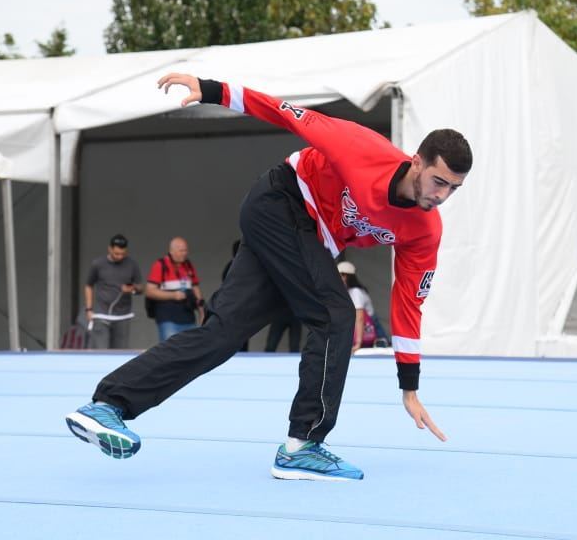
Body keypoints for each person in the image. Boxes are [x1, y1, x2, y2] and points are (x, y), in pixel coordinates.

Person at [66, 73, 472, 481]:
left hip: (305, 238)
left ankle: (107, 405)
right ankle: (304, 446)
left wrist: (409, 385)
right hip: (283, 200)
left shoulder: (424, 230)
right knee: (335, 315)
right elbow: (287, 114)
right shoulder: (361, 147)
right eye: (438, 181)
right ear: (416, 162)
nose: (441, 195)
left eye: (453, 189)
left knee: (222, 334)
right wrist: (215, 91)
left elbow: (409, 300)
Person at [84, 234, 144, 349]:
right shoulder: (98, 264)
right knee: (101, 351)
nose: (120, 257)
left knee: (120, 353)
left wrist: (132, 289)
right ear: (110, 249)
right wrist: (89, 309)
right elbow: (88, 285)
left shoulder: (132, 264)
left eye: (123, 254)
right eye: (116, 253)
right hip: (101, 315)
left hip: (123, 316)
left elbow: (141, 288)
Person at [144, 237, 203, 342]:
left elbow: (195, 288)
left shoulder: (188, 265)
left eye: (186, 250)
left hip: (189, 318)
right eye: (181, 251)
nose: (184, 253)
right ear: (171, 251)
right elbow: (149, 291)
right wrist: (173, 295)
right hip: (168, 319)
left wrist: (202, 311)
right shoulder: (160, 265)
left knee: (191, 347)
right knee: (170, 348)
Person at [338, 260, 377, 352]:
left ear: (345, 276)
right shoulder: (350, 291)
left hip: (367, 331)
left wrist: (358, 343)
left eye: (339, 276)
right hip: (362, 331)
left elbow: (360, 318)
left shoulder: (355, 292)